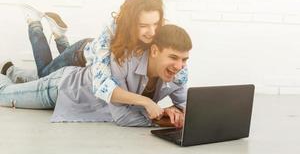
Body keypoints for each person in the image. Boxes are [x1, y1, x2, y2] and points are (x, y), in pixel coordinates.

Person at [1, 0, 188, 120]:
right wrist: (145, 102)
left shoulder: (157, 36)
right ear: (131, 23)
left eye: (156, 24)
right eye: (144, 26)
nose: (152, 31)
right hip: (82, 55)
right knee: (44, 75)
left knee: (41, 78)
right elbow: (102, 86)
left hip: (84, 71)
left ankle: (10, 70)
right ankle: (36, 24)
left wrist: (174, 109)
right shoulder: (111, 35)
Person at [0, 24, 192, 127]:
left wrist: (174, 111)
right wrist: (157, 112)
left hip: (79, 91)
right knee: (4, 94)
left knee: (35, 77)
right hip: (65, 88)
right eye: (174, 57)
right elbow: (123, 116)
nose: (179, 66)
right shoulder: (126, 61)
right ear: (155, 51)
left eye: (184, 59)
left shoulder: (179, 73)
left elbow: (186, 106)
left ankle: (9, 69)